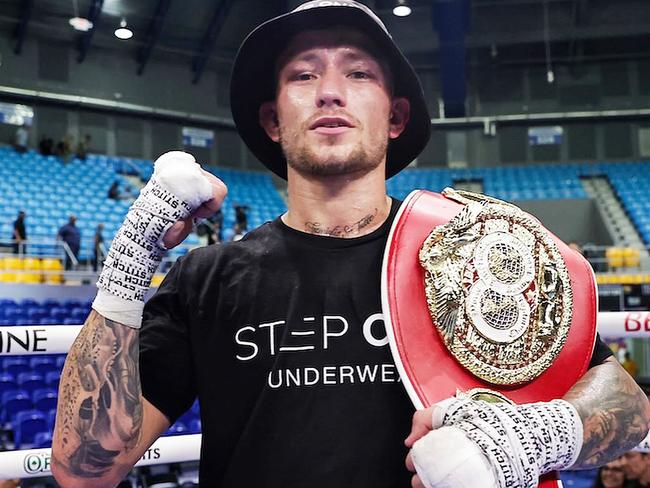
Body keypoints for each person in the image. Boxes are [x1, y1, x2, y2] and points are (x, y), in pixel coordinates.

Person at [52, 2, 650, 488]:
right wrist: (130, 263)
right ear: (271, 120)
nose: (330, 92)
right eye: (303, 74)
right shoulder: (206, 278)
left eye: (358, 73)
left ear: (395, 117)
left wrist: (532, 437)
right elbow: (83, 468)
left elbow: (628, 404)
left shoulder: (472, 250)